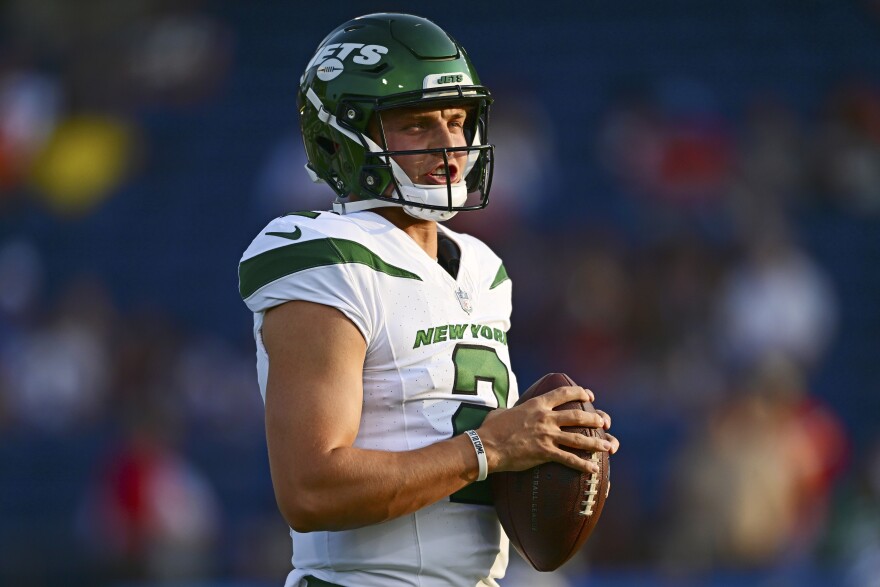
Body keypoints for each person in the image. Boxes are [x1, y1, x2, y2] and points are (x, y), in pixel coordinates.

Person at [238, 13, 619, 587]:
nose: (450, 146)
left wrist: (552, 448)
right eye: (418, 125)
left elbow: (485, 461)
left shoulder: (484, 269)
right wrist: (490, 448)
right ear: (343, 136)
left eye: (458, 120)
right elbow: (311, 488)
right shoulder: (327, 253)